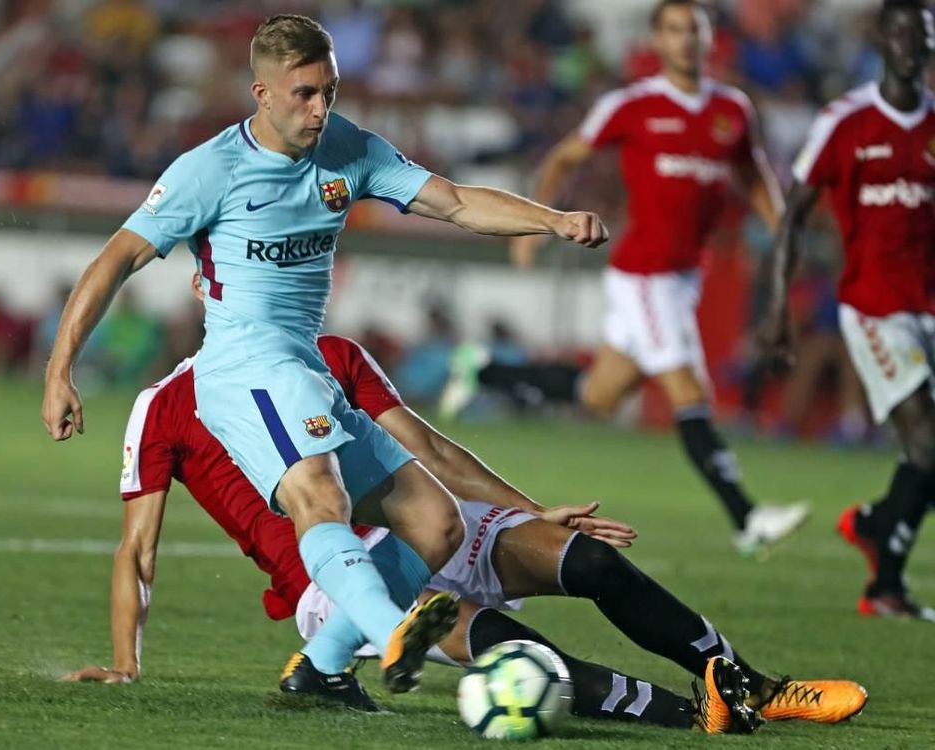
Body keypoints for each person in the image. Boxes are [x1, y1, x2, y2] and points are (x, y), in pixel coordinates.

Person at [41, 14, 608, 694]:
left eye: (329, 92)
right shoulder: (209, 170)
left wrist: (552, 220)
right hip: (243, 370)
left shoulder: (349, 149)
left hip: (303, 370)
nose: (320, 109)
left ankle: (324, 666)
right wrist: (59, 369)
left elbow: (455, 203)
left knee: (436, 525)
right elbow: (116, 259)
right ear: (262, 92)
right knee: (319, 494)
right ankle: (392, 632)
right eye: (305, 93)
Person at [62, 283, 866, 733]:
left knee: (589, 561)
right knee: (521, 657)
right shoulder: (162, 407)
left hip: (431, 521)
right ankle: (697, 715)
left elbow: (432, 452)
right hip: (340, 586)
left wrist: (536, 514)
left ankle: (753, 684)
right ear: (217, 296)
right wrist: (129, 664)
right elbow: (138, 548)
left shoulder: (335, 355)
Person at [443, 0, 809, 556]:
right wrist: (532, 226)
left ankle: (484, 370)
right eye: (674, 30)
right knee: (690, 393)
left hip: (685, 277)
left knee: (599, 396)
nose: (685, 40)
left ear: (709, 41)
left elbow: (754, 177)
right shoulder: (632, 105)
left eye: (695, 30)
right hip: (643, 275)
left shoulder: (732, 110)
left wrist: (783, 231)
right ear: (657, 41)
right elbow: (565, 158)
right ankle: (748, 517)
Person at [763, 0, 935, 621]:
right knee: (926, 441)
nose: (910, 45)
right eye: (899, 34)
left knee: (928, 456)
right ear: (881, 42)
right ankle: (884, 583)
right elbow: (794, 216)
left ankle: (876, 525)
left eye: (920, 35)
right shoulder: (849, 121)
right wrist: (780, 305)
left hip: (929, 303)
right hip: (873, 304)